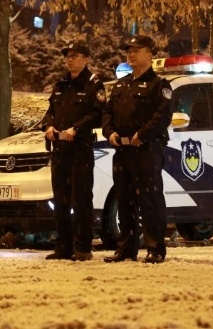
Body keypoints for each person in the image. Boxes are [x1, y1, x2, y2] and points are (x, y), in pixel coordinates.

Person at [101, 35, 172, 264]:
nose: (130, 54)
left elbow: (162, 116)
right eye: (128, 50)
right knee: (124, 199)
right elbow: (107, 113)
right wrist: (109, 132)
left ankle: (155, 248)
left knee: (149, 199)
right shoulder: (122, 84)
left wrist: (142, 135)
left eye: (136, 50)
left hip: (146, 149)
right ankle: (126, 248)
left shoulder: (159, 85)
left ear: (149, 55)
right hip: (122, 150)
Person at [40, 41, 106, 261]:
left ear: (86, 58)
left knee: (81, 199)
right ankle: (64, 246)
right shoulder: (61, 84)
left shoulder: (93, 84)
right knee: (60, 200)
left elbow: (97, 114)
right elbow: (50, 110)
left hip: (80, 149)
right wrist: (48, 126)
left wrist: (76, 128)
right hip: (59, 150)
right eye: (67, 56)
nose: (69, 59)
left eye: (75, 55)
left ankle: (82, 246)